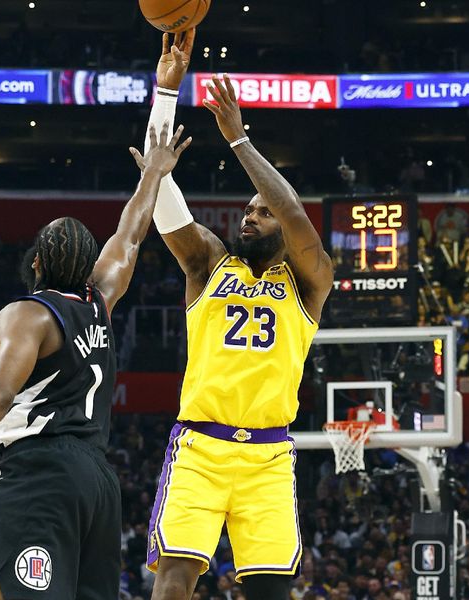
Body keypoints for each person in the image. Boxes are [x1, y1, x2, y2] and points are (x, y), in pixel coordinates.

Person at [0, 123, 193, 599]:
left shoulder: (28, 314)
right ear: (89, 267)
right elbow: (130, 236)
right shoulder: (101, 300)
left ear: (36, 266)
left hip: (39, 475)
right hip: (98, 483)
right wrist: (152, 173)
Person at [139, 32, 333, 600]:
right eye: (246, 211)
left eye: (260, 213)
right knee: (176, 577)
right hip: (200, 446)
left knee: (271, 590)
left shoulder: (307, 281)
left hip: (269, 453)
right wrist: (165, 93)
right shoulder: (208, 264)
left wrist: (240, 140)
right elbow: (161, 188)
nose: (250, 218)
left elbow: (293, 210)